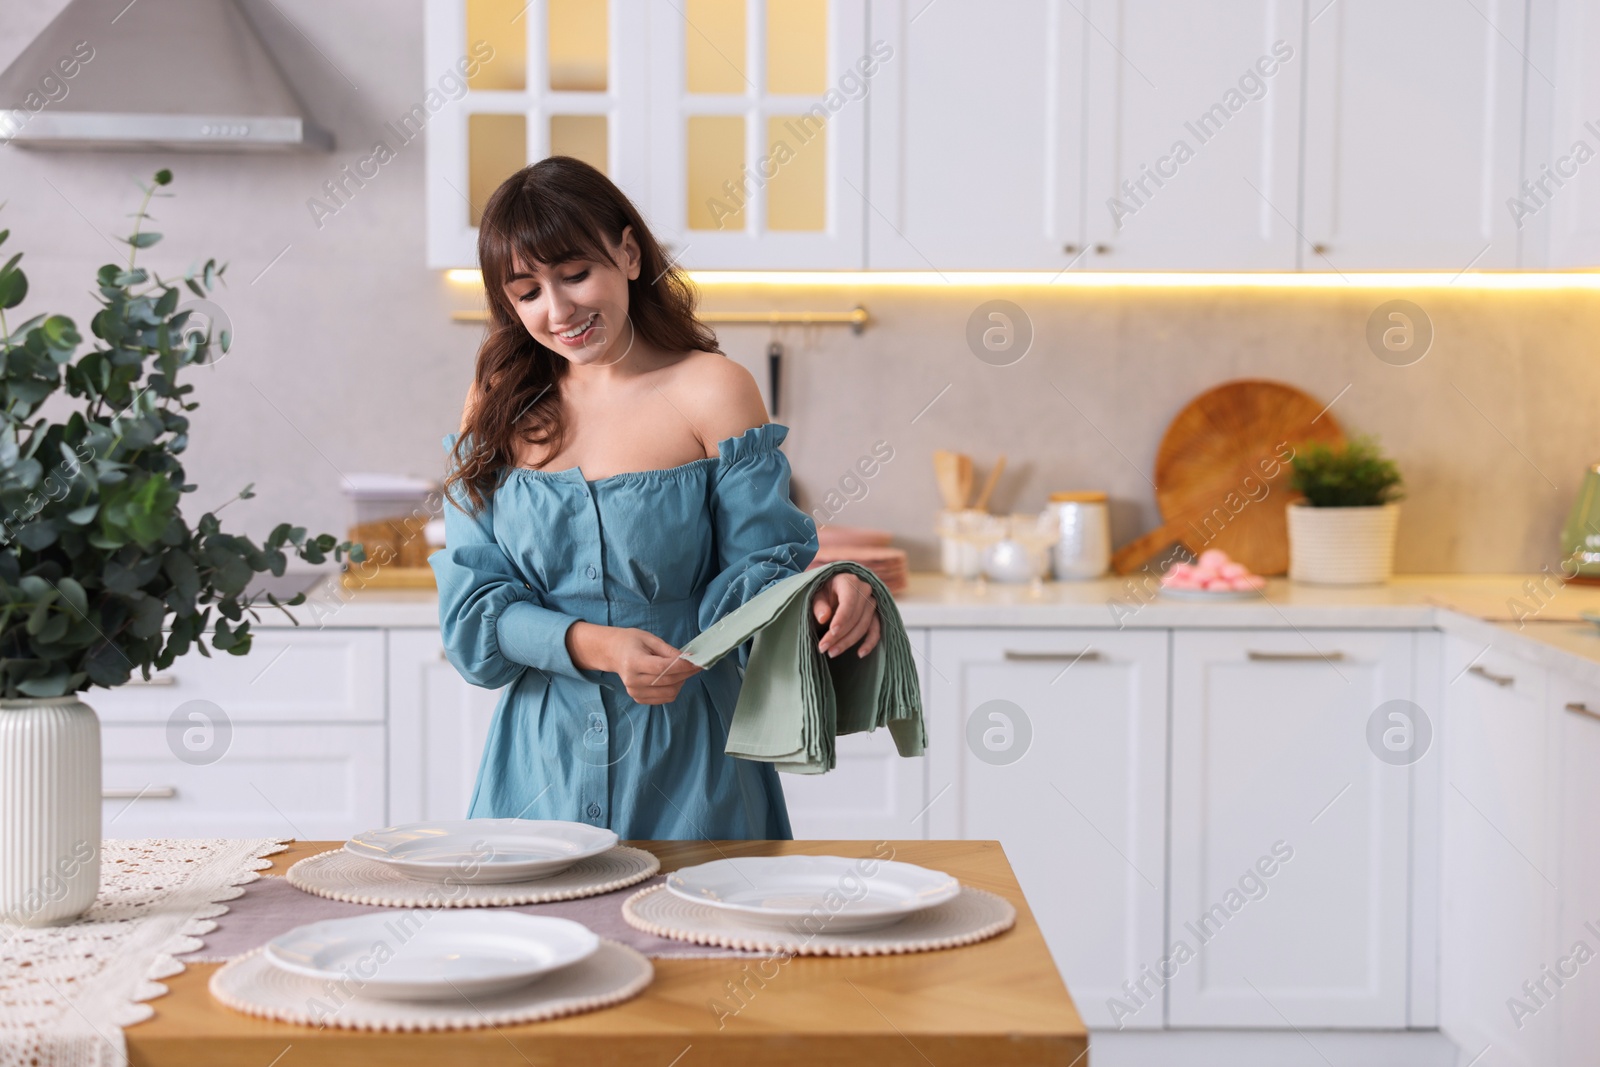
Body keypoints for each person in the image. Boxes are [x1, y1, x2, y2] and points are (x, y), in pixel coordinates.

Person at [432, 157, 881, 839]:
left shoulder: (713, 389)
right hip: (535, 773)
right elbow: (471, 621)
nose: (558, 312)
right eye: (526, 292)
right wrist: (591, 643)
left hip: (692, 768)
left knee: (704, 942)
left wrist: (821, 591)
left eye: (576, 274)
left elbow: (760, 576)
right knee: (538, 944)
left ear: (629, 254)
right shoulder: (496, 404)